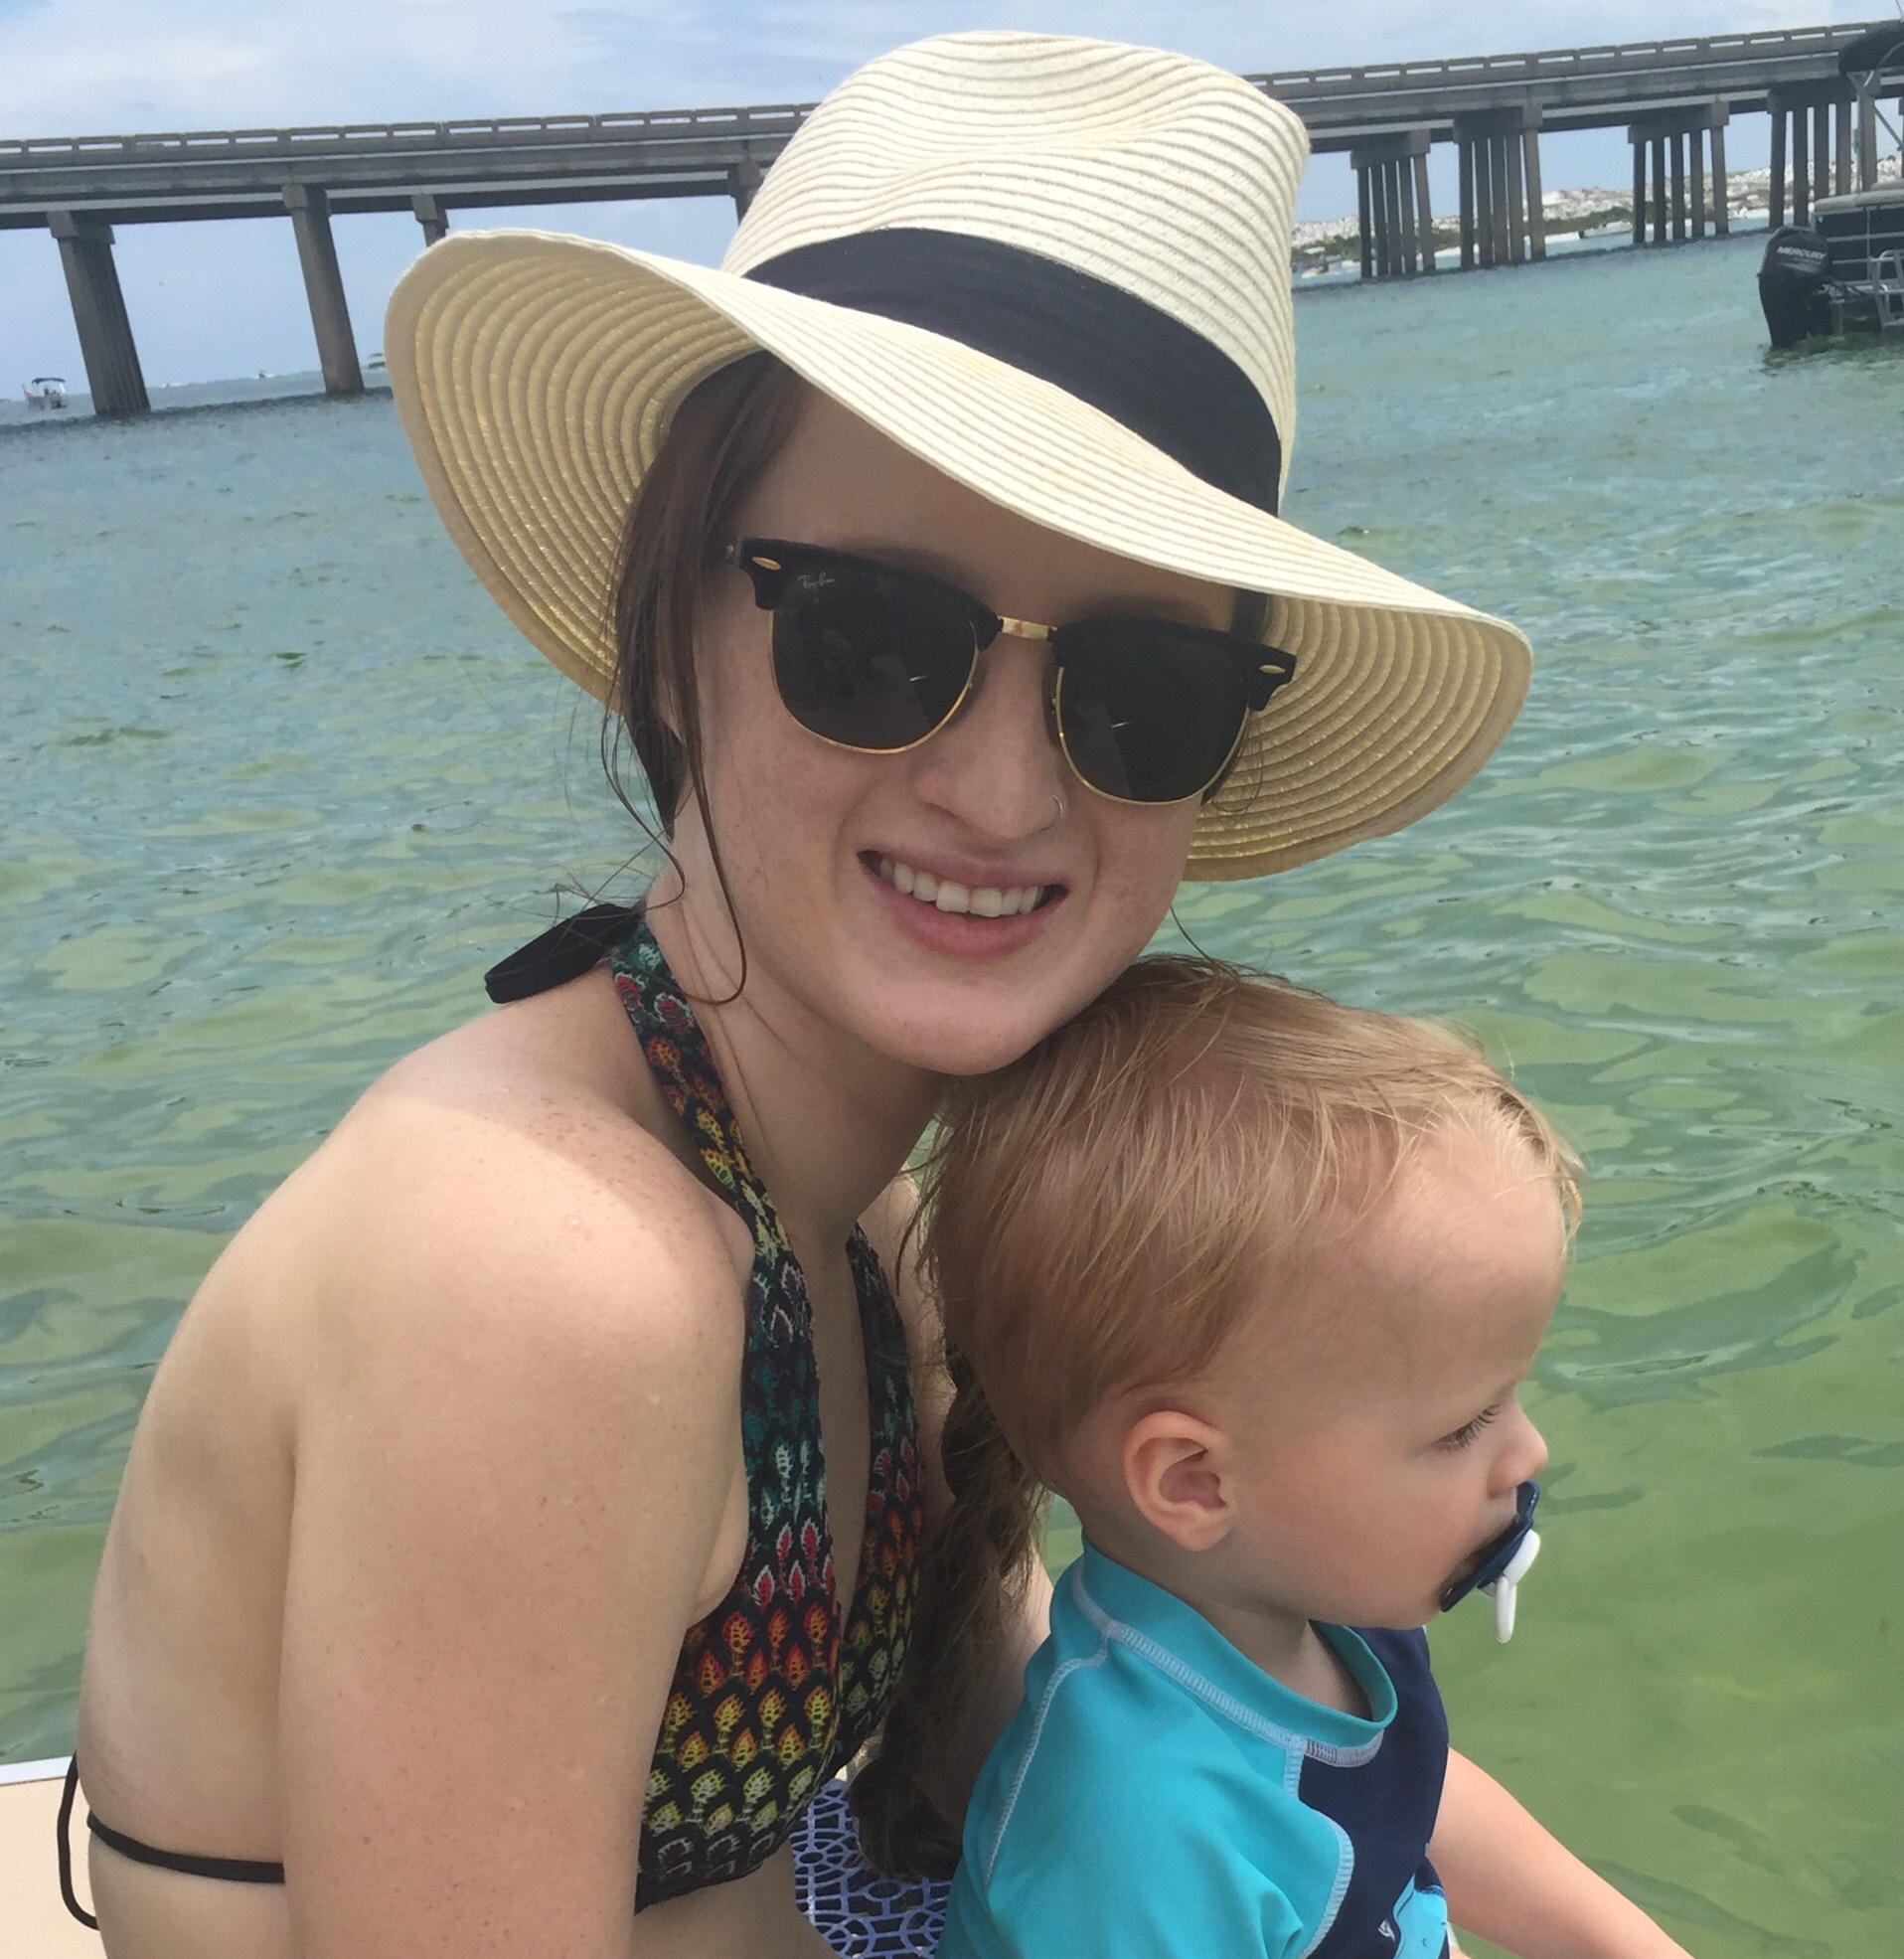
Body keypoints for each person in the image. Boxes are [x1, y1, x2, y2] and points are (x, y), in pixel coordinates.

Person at [63, 30, 1534, 1959]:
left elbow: (1147, 1702)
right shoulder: (545, 1266)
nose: (1000, 792)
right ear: (670, 622)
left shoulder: (864, 1235)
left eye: (1137, 693)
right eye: (874, 639)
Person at [903, 957, 1694, 1959]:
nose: (1527, 1450)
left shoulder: (1313, 1600)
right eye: (1463, 1427)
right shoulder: (1134, 1833)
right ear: (1193, 1481)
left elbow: (1416, 1804)